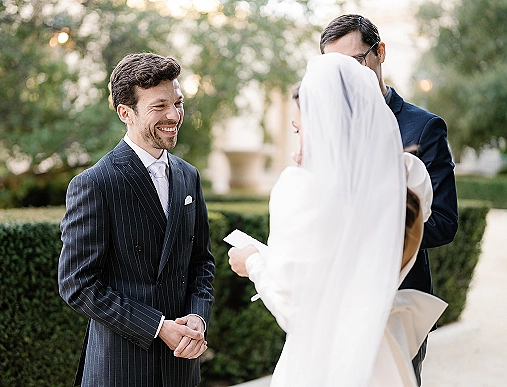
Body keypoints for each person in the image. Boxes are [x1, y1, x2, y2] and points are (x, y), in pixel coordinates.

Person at [228, 53, 447, 386]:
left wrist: (255, 262)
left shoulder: (299, 190)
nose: (296, 150)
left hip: (324, 360)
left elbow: (294, 310)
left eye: (300, 131)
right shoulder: (407, 180)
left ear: (326, 128)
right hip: (382, 350)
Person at [58, 52, 215, 387]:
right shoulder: (95, 183)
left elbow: (201, 262)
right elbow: (78, 285)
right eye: (159, 106)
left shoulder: (189, 176)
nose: (174, 115)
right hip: (120, 369)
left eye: (178, 102)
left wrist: (198, 319)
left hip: (180, 369)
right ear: (125, 113)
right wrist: (159, 327)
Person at [319, 14, 459, 384]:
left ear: (379, 53)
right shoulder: (323, 126)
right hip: (335, 300)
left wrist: (374, 227)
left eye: (354, 63)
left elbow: (443, 223)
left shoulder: (424, 127)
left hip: (397, 303)